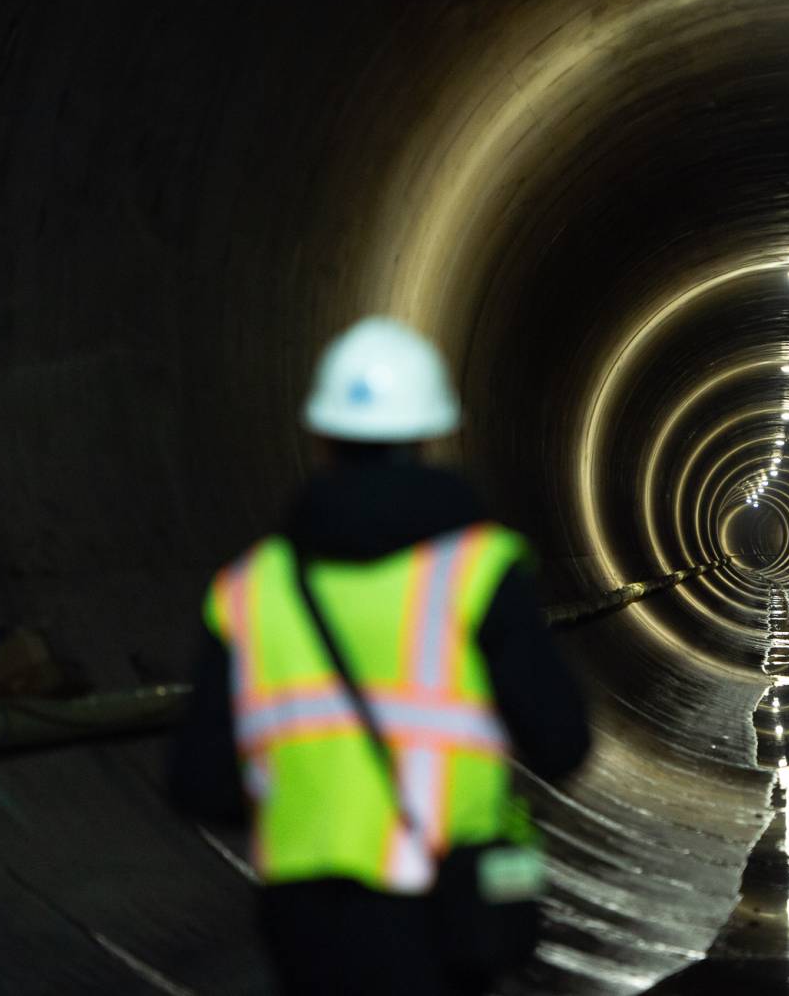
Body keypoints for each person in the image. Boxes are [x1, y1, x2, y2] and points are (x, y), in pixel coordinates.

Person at [168, 316, 591, 995]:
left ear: (319, 437)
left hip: (303, 918)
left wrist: (307, 808)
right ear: (430, 435)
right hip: (439, 905)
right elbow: (561, 741)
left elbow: (200, 780)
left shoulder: (252, 586)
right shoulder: (477, 573)